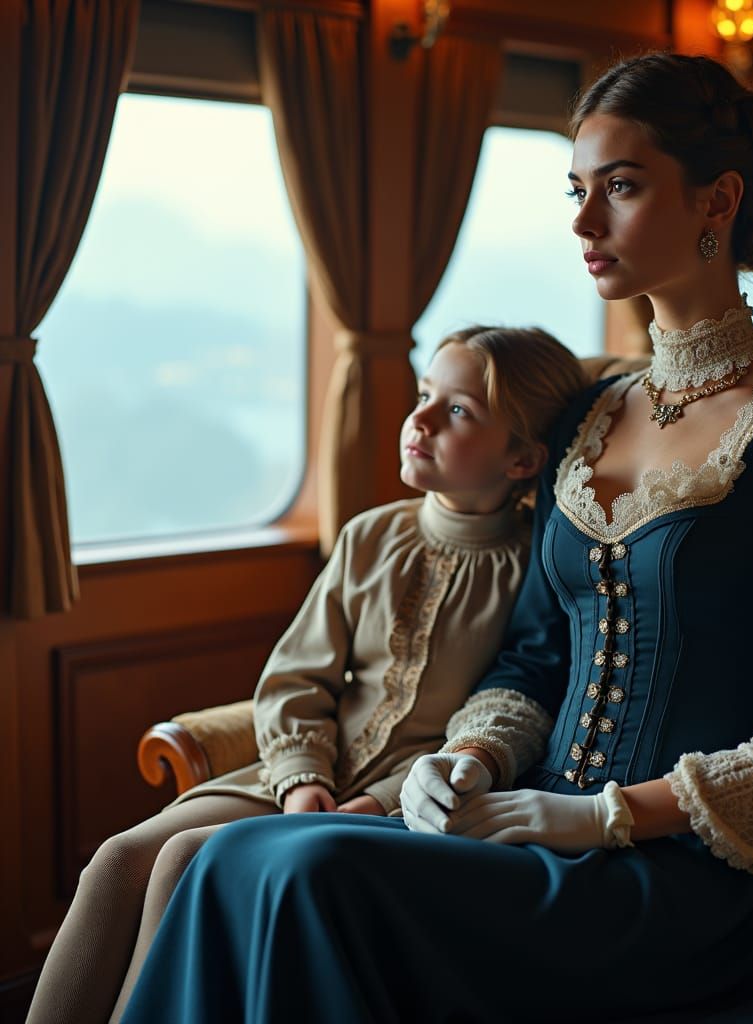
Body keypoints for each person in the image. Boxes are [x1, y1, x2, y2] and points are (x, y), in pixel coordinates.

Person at [119, 52, 753, 1024]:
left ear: (718, 200)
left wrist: (602, 815)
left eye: (619, 187)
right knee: (233, 854)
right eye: (577, 190)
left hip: (688, 877)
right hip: (525, 817)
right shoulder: (588, 414)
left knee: (310, 872)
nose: (582, 222)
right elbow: (535, 655)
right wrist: (473, 763)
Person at [26, 326, 587, 1024]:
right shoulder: (370, 537)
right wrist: (301, 777)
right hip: (295, 774)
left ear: (524, 457)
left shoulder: (536, 571)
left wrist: (379, 801)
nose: (421, 420)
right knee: (117, 861)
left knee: (184, 865)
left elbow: (504, 714)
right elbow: (296, 677)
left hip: (398, 803)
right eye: (424, 396)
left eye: (460, 411)